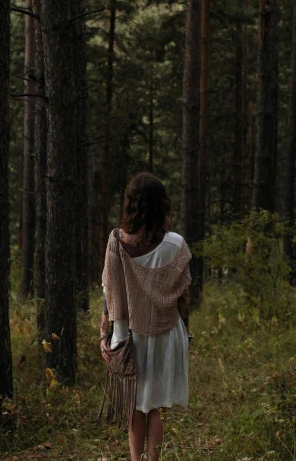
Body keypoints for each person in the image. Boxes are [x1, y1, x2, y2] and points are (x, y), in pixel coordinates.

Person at [100, 172, 192, 461]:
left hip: (127, 336)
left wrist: (104, 335)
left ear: (130, 203)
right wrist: (186, 333)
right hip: (165, 332)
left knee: (133, 406)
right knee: (153, 407)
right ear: (161, 204)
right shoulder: (176, 244)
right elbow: (183, 297)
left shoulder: (116, 240)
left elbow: (108, 292)